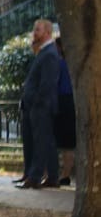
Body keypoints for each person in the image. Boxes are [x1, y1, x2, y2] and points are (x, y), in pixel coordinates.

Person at [18, 19, 62, 189]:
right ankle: (52, 176)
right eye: (34, 29)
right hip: (36, 105)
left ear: (48, 32)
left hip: (41, 106)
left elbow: (47, 83)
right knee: (47, 141)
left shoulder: (50, 54)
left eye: (38, 30)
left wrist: (37, 103)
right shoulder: (43, 52)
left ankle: (35, 177)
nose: (34, 33)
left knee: (41, 140)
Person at [54, 32, 74, 186]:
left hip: (63, 102)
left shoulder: (60, 64)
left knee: (63, 142)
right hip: (71, 102)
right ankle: (66, 173)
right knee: (69, 143)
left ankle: (64, 173)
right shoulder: (73, 64)